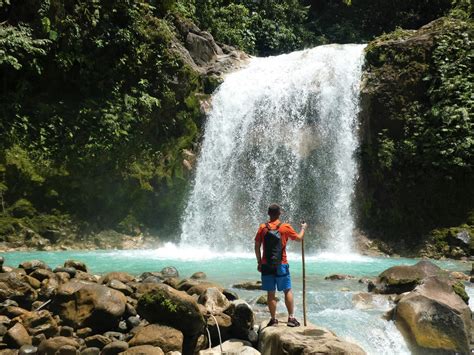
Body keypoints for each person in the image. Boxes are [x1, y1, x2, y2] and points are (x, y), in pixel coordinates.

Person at [254, 203, 307, 327]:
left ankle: (273, 319)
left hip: (266, 264)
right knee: (287, 290)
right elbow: (299, 238)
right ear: (279, 213)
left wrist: (259, 262)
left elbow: (257, 246)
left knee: (271, 293)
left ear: (268, 213)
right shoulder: (285, 227)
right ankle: (291, 318)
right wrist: (303, 228)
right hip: (281, 264)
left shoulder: (262, 227)